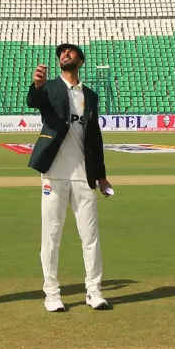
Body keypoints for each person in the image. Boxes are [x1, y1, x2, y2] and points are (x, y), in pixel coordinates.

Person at [26, 43, 112, 313]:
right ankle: (51, 293)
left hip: (83, 175)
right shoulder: (49, 87)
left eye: (71, 52)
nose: (65, 54)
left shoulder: (90, 95)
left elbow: (94, 138)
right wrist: (37, 85)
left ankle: (94, 290)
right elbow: (34, 102)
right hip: (54, 173)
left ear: (81, 61)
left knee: (90, 236)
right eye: (62, 53)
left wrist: (101, 177)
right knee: (51, 235)